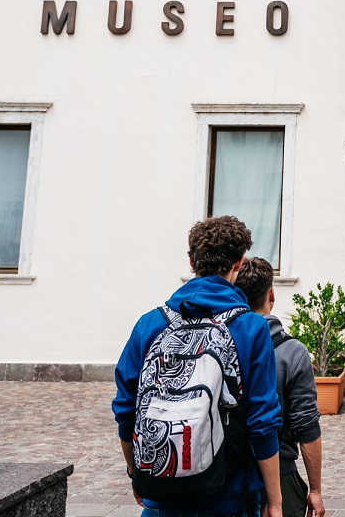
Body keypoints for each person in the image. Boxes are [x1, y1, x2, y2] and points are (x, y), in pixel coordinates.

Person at [113, 216, 284, 517]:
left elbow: (126, 409)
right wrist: (274, 500)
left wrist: (136, 474)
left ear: (191, 262)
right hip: (229, 502)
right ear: (239, 264)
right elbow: (262, 423)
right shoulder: (251, 329)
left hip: (160, 500)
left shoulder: (150, 324)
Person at [235, 256, 326, 517]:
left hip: (226, 475)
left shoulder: (219, 341)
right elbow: (307, 426)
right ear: (271, 295)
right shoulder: (292, 352)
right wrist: (315, 490)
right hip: (280, 474)